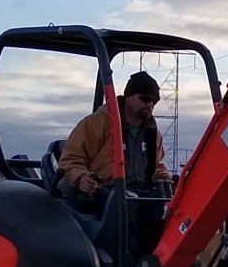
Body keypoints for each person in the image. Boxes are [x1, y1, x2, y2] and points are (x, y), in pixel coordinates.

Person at [59, 70, 168, 204]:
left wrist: (168, 179)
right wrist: (82, 178)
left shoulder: (152, 133)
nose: (150, 104)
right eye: (145, 98)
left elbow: (155, 166)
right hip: (103, 194)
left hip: (140, 195)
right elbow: (69, 161)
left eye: (155, 100)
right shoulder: (97, 124)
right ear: (128, 96)